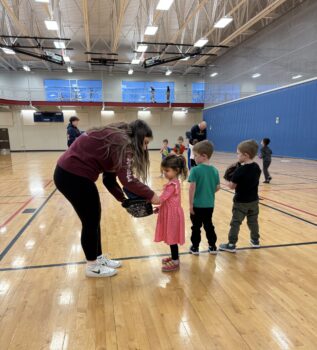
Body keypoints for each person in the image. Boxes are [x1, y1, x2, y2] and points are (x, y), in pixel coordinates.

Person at [54, 120, 160, 278]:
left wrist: (123, 200)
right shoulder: (123, 143)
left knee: (94, 220)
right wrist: (152, 195)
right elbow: (128, 180)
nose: (145, 148)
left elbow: (108, 180)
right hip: (72, 176)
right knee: (90, 221)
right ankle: (91, 266)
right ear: (138, 137)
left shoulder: (116, 140)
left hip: (72, 175)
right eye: (145, 143)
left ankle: (97, 259)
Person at [219, 140, 261, 253]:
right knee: (253, 222)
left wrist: (227, 181)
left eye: (238, 153)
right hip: (254, 201)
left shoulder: (240, 170)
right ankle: (255, 240)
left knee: (235, 223)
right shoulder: (257, 167)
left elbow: (232, 186)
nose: (237, 155)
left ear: (246, 155)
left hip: (241, 202)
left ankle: (231, 244)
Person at [154, 155, 188, 272]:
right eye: (164, 171)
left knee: (172, 238)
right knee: (171, 237)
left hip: (172, 215)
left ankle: (175, 261)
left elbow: (162, 198)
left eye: (167, 171)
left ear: (176, 170)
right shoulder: (173, 182)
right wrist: (160, 208)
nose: (165, 173)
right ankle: (175, 256)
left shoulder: (172, 185)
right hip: (170, 213)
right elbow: (166, 200)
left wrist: (149, 198)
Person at [188, 140, 220, 255]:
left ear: (204, 156)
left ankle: (195, 247)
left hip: (197, 205)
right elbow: (217, 187)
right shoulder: (215, 170)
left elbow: (192, 188)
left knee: (196, 227)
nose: (194, 158)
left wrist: (190, 205)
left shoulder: (195, 170)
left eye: (195, 155)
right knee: (208, 225)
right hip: (209, 205)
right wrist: (208, 193)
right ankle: (212, 246)